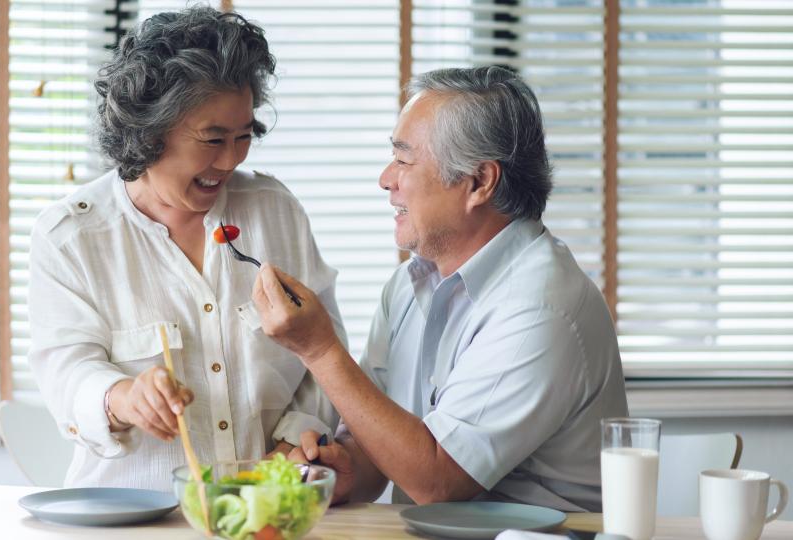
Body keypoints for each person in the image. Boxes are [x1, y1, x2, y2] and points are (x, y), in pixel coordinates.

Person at [251, 66, 629, 511]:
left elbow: (438, 480)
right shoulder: (409, 287)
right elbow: (383, 447)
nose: (386, 178)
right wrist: (348, 467)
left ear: (479, 182)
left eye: (404, 160)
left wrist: (318, 350)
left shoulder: (542, 308)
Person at [27, 6, 345, 490]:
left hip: (265, 513)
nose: (230, 158)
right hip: (132, 518)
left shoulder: (274, 211)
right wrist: (123, 397)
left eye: (243, 136)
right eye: (212, 139)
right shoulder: (71, 237)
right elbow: (67, 372)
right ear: (149, 131)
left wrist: (288, 446)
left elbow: (324, 355)